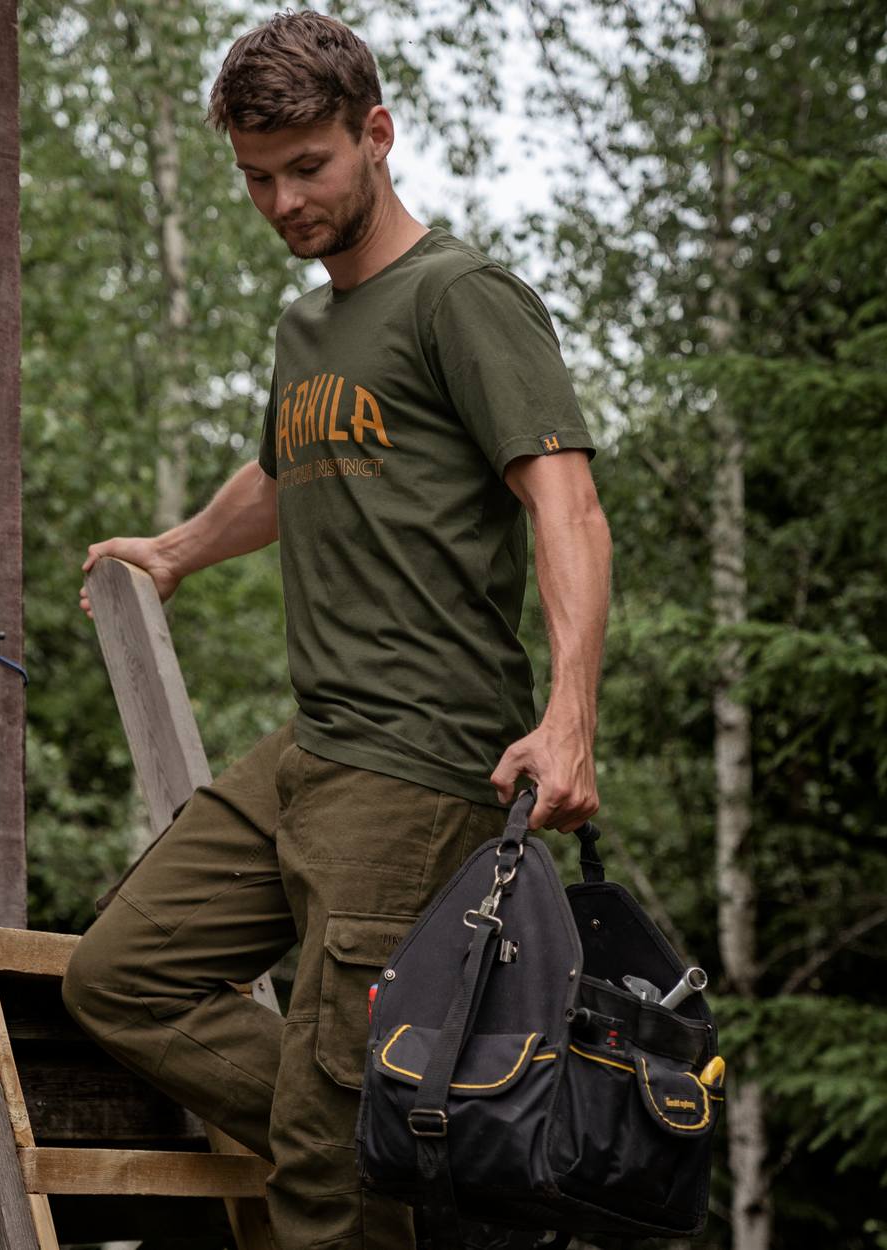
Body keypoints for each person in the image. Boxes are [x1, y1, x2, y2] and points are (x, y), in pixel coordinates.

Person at [62, 11, 613, 1250]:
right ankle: (431, 1139)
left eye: (307, 166)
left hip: (419, 769)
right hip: (312, 746)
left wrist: (567, 717)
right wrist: (176, 548)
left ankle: (374, 1145)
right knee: (120, 978)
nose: (281, 201)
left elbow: (566, 501)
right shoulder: (308, 328)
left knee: (323, 1184)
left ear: (377, 133)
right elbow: (285, 466)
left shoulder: (457, 296)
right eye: (257, 176)